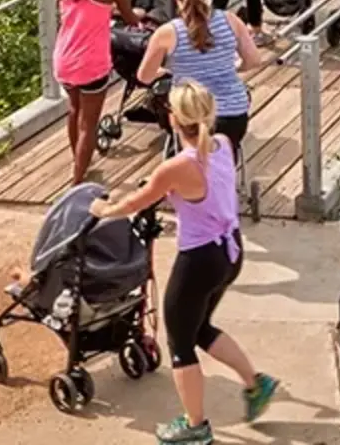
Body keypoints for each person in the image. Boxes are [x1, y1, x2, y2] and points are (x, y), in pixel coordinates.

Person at [90, 82, 279, 443]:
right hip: (230, 251)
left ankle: (195, 427)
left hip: (199, 259)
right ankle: (256, 385)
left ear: (174, 119)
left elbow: (135, 203)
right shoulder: (224, 145)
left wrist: (103, 209)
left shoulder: (176, 167)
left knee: (180, 342)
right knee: (200, 326)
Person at [138, 0, 266, 152]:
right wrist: (233, 67)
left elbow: (144, 77)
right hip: (233, 117)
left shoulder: (167, 33)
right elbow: (253, 60)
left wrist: (168, 71)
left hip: (191, 118)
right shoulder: (230, 20)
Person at [53, 0, 141, 186]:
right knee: (88, 124)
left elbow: (82, 8)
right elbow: (130, 18)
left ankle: (78, 161)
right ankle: (77, 181)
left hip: (64, 59)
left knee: (74, 110)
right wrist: (139, 16)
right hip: (91, 62)